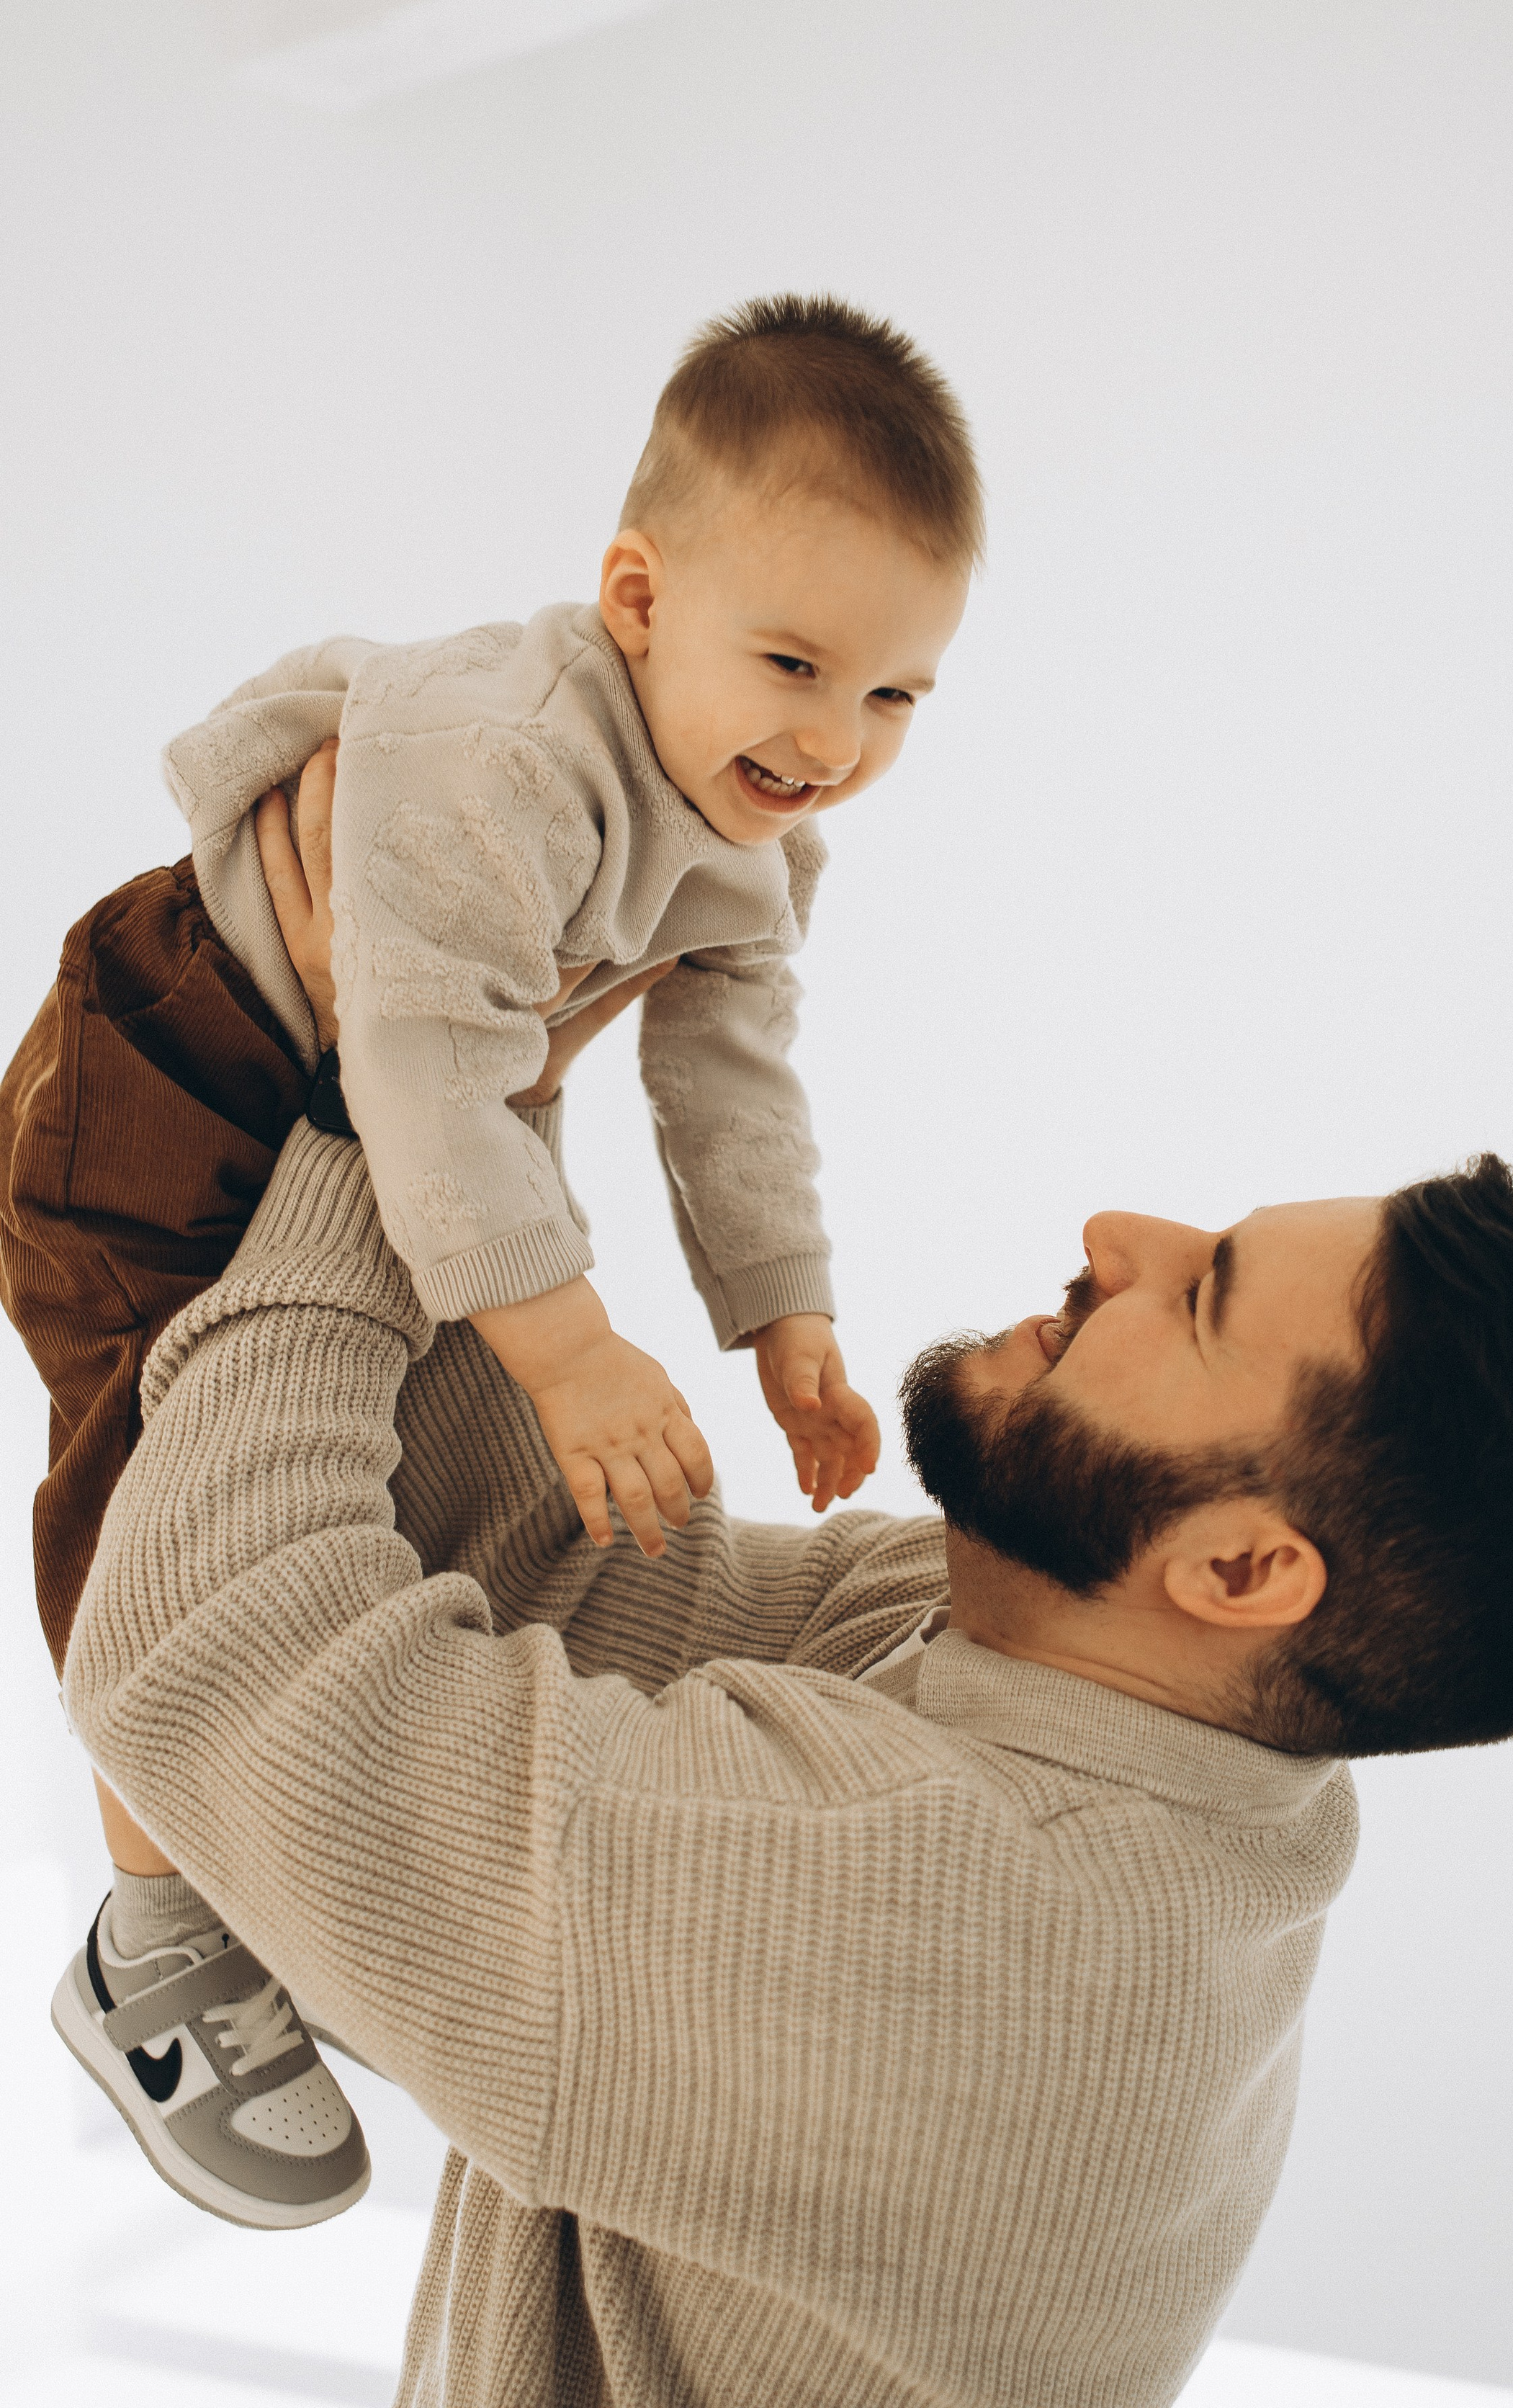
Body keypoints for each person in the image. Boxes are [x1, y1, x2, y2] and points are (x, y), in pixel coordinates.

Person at [58, 774, 1513, 2407]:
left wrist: (381, 1112)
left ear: (1237, 1568)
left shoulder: (952, 1929)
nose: (1117, 1229)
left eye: (1201, 1295)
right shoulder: (1080, 1697)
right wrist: (474, 1102)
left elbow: (206, 1660)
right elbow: (533, 1579)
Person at [1, 293, 979, 2226]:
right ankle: (150, 1935)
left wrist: (789, 1319)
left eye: (893, 697)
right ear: (637, 596)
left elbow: (731, 1074)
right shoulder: (498, 751)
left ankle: (272, 1871)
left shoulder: (750, 839)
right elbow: (434, 1068)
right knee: (160, 1488)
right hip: (168, 1073)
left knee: (395, 1458)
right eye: (792, 662)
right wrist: (571, 1347)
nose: (832, 741)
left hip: (359, 1099)